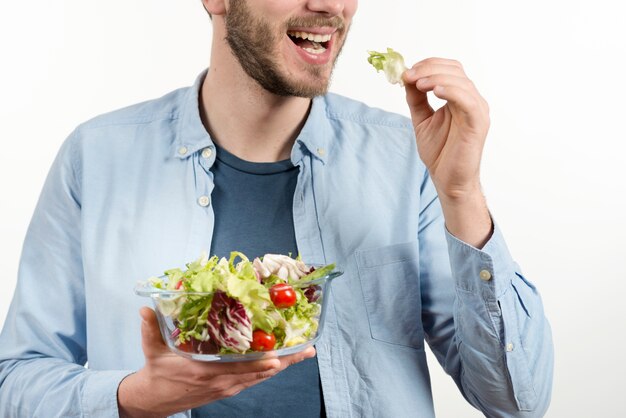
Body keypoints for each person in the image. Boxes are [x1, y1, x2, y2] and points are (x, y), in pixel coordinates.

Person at [0, 0, 554, 417]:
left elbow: (516, 401)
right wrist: (134, 398)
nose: (330, 6)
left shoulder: (408, 157)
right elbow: (16, 381)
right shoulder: (96, 157)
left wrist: (462, 195)